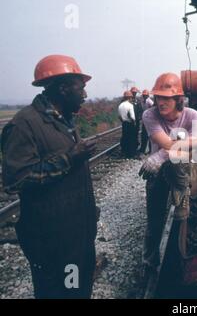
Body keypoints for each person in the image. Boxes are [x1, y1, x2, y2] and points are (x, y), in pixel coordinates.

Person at [1, 54, 98, 299]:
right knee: (59, 291)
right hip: (52, 239)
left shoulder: (63, 120)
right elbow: (17, 179)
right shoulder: (24, 124)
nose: (85, 95)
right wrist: (70, 157)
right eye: (81, 87)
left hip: (77, 232)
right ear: (63, 88)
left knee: (78, 287)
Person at [139, 73, 197, 280]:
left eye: (166, 98)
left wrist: (160, 155)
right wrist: (188, 144)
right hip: (158, 172)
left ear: (178, 98)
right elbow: (171, 144)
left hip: (181, 168)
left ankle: (183, 256)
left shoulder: (192, 115)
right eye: (159, 97)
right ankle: (149, 261)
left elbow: (191, 151)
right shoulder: (149, 115)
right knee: (154, 219)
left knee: (185, 214)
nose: (161, 102)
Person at [118, 91, 138, 158]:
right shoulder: (130, 105)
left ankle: (125, 153)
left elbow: (119, 117)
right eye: (131, 98)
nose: (132, 99)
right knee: (131, 139)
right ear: (129, 98)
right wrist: (134, 123)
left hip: (124, 124)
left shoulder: (120, 105)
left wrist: (123, 121)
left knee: (125, 138)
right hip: (130, 124)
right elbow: (132, 117)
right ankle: (131, 154)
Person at [140, 89, 153, 154]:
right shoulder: (142, 101)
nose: (144, 96)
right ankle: (142, 149)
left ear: (148, 95)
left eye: (145, 95)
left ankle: (150, 150)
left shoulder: (150, 101)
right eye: (143, 95)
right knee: (144, 135)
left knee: (150, 135)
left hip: (149, 120)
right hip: (144, 120)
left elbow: (153, 109)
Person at [130, 86, 144, 152]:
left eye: (135, 93)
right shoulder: (128, 101)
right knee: (130, 134)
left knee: (135, 134)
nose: (134, 94)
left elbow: (141, 111)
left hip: (137, 121)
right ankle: (130, 148)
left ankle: (135, 147)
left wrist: (139, 118)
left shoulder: (138, 101)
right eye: (133, 93)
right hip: (130, 121)